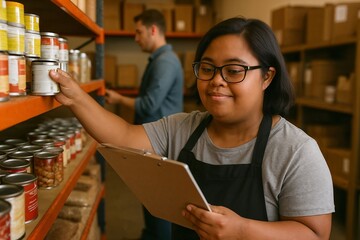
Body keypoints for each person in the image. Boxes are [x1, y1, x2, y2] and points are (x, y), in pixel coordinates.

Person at [50, 16, 334, 240]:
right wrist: (75, 96)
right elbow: (124, 135)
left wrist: (242, 231)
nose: (216, 81)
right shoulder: (183, 128)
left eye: (234, 71)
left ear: (267, 77)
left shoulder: (295, 151)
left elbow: (315, 233)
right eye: (208, 68)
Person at [105, 9, 183, 240]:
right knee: (151, 201)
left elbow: (149, 105)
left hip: (161, 144)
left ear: (153, 30)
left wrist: (118, 99)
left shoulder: (166, 62)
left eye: (139, 32)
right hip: (154, 140)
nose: (135, 38)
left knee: (159, 203)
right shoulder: (159, 60)